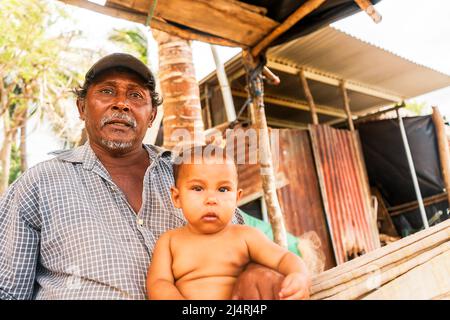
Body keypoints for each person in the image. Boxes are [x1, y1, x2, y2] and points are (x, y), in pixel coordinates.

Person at [0, 53, 285, 300]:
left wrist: (257, 270)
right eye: (107, 91)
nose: (122, 104)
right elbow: (7, 290)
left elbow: (246, 245)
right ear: (82, 107)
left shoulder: (189, 171)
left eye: (135, 95)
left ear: (151, 116)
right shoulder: (39, 183)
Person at [147, 145, 311, 300]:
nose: (211, 199)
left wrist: (299, 275)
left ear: (237, 199)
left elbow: (283, 258)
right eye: (198, 188)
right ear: (177, 197)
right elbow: (159, 283)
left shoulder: (245, 236)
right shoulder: (169, 242)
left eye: (223, 189)